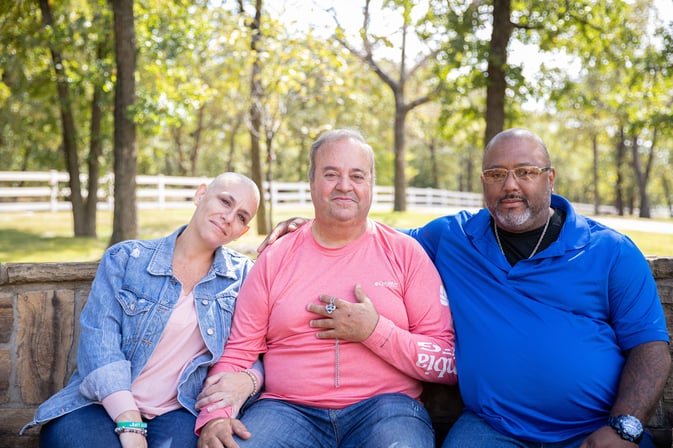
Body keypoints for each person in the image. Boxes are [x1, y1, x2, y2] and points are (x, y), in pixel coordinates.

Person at [259, 128, 671, 448]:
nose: (510, 185)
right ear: (483, 182)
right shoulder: (453, 238)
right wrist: (308, 226)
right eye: (496, 174)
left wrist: (625, 426)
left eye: (525, 172)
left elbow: (651, 347)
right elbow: (369, 239)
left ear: (550, 179)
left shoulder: (610, 251)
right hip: (493, 426)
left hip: (591, 429)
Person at [195, 129, 457, 448]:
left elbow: (448, 359)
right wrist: (216, 414)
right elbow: (240, 350)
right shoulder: (275, 257)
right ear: (312, 183)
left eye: (356, 175)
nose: (344, 185)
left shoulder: (405, 254)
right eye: (331, 174)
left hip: (387, 409)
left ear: (371, 184)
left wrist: (375, 331)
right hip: (287, 410)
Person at [21, 172, 263, 448]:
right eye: (224, 201)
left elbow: (253, 347)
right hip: (100, 404)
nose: (229, 217)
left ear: (242, 232)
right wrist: (129, 422)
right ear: (200, 194)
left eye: (242, 217)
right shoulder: (126, 260)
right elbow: (99, 344)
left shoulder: (243, 276)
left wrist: (250, 379)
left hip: (179, 411)